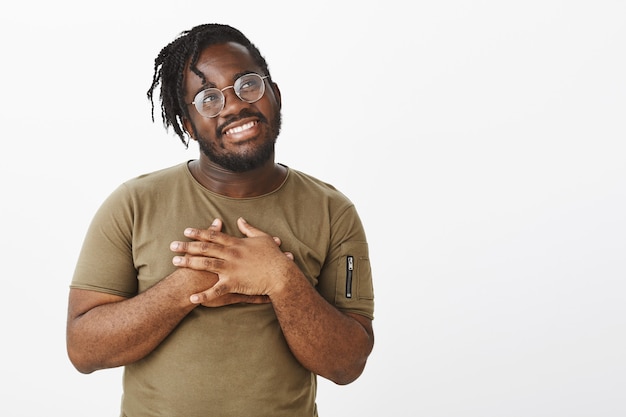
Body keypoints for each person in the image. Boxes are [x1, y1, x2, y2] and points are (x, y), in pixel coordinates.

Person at [66, 23, 374, 417]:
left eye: (247, 85)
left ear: (274, 94)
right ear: (187, 125)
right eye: (208, 98)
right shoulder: (133, 203)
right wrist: (186, 287)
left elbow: (348, 365)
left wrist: (282, 280)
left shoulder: (333, 211)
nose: (233, 105)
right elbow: (83, 350)